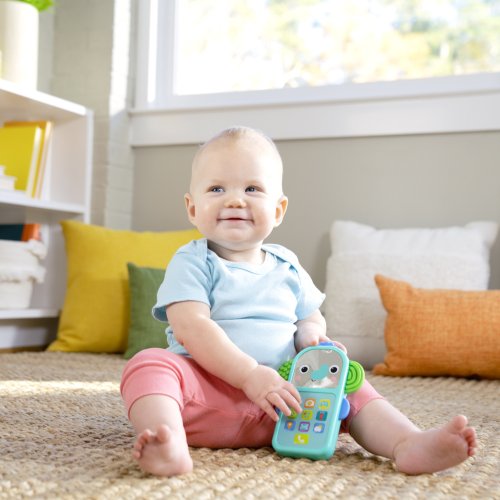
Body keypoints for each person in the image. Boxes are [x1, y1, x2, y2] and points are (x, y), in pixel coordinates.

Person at [120, 126, 477, 477]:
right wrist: (249, 376)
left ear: (278, 210)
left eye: (252, 188)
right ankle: (169, 440)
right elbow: (191, 326)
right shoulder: (194, 261)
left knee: (347, 382)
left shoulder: (286, 264)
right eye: (217, 188)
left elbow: (310, 316)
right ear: (192, 208)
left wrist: (310, 335)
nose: (234, 200)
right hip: (207, 398)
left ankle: (406, 442)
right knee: (150, 365)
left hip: (289, 402)